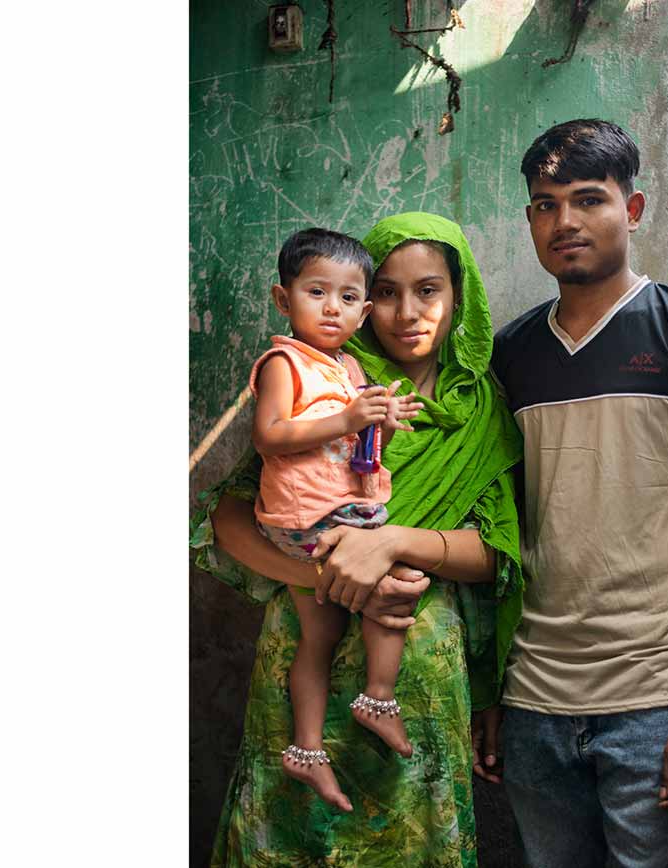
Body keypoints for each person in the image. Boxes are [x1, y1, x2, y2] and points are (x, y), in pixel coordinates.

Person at [190, 212, 523, 866]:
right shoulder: (324, 379)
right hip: (305, 665)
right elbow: (228, 519)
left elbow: (496, 553)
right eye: (389, 292)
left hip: (417, 694)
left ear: (460, 298)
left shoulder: (483, 414)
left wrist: (392, 543)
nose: (406, 312)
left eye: (428, 290)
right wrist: (327, 578)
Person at [475, 119, 668, 868]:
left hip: (654, 699)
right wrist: (491, 694)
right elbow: (501, 529)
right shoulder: (510, 354)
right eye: (544, 204)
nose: (564, 221)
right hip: (533, 697)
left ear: (631, 211)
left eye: (587, 199)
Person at [249, 228, 426, 808]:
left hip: (334, 508)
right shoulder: (284, 362)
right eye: (317, 292)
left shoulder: (347, 366)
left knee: (318, 639)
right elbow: (271, 436)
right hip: (307, 516)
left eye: (348, 298)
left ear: (364, 310)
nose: (332, 308)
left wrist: (382, 417)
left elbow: (355, 435)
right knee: (396, 592)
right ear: (284, 299)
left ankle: (306, 752)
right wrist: (348, 419)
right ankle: (378, 697)